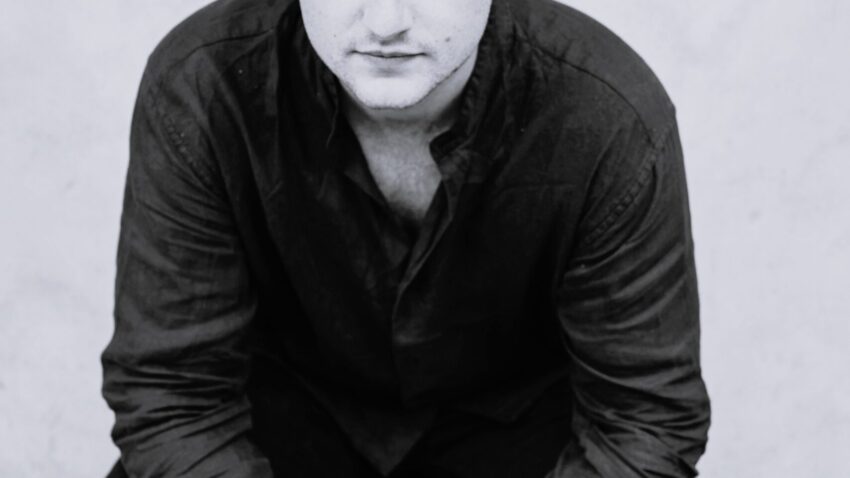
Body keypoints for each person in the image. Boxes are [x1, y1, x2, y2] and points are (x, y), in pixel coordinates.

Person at [101, 0, 711, 476]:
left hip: (523, 441)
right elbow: (173, 393)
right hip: (284, 429)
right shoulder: (204, 85)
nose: (386, 22)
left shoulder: (606, 117)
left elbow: (644, 421)